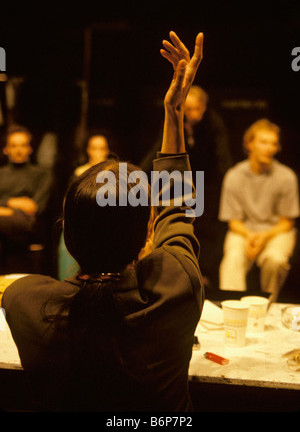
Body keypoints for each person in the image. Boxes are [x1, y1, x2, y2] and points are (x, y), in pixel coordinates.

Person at [3, 30, 204, 412]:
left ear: (68, 235)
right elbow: (177, 205)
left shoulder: (25, 303)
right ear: (147, 231)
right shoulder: (177, 286)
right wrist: (173, 112)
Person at [140, 84, 232, 287]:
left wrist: (228, 184)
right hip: (183, 180)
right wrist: (137, 174)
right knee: (179, 222)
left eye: (197, 109)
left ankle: (204, 274)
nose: (193, 114)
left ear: (205, 107)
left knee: (205, 228)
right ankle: (179, 272)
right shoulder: (176, 120)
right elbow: (159, 149)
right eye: (188, 109)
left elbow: (222, 156)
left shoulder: (213, 122)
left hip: (207, 183)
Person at [219, 119, 299, 301]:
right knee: (233, 259)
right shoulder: (234, 176)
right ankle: (233, 307)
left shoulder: (286, 177)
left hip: (275, 231)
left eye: (273, 143)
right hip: (244, 231)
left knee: (275, 260)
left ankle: (266, 306)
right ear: (249, 144)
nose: (269, 148)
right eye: (263, 142)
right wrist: (250, 235)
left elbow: (287, 222)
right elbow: (234, 221)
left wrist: (263, 237)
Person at [58, 133, 110, 280]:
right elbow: (70, 202)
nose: (98, 152)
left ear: (107, 151)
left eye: (102, 148)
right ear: (88, 150)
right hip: (82, 222)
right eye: (94, 148)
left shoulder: (114, 174)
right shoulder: (79, 173)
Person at [0, 125, 53, 262]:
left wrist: (3, 208)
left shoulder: (42, 175)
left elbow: (34, 208)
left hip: (29, 229)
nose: (18, 150)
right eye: (14, 146)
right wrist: (12, 203)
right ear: (6, 149)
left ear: (30, 148)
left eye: (23, 145)